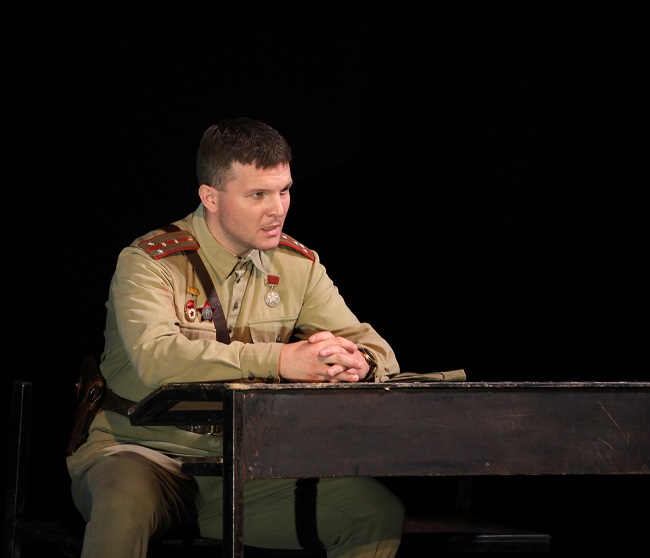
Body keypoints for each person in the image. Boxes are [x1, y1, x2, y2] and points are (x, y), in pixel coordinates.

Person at [66, 117, 405, 557]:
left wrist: (359, 362)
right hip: (141, 451)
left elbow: (375, 348)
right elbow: (157, 357)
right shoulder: (149, 262)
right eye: (258, 195)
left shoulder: (298, 266)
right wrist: (280, 360)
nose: (278, 209)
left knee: (373, 514)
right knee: (123, 504)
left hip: (243, 464)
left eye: (284, 190)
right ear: (210, 197)